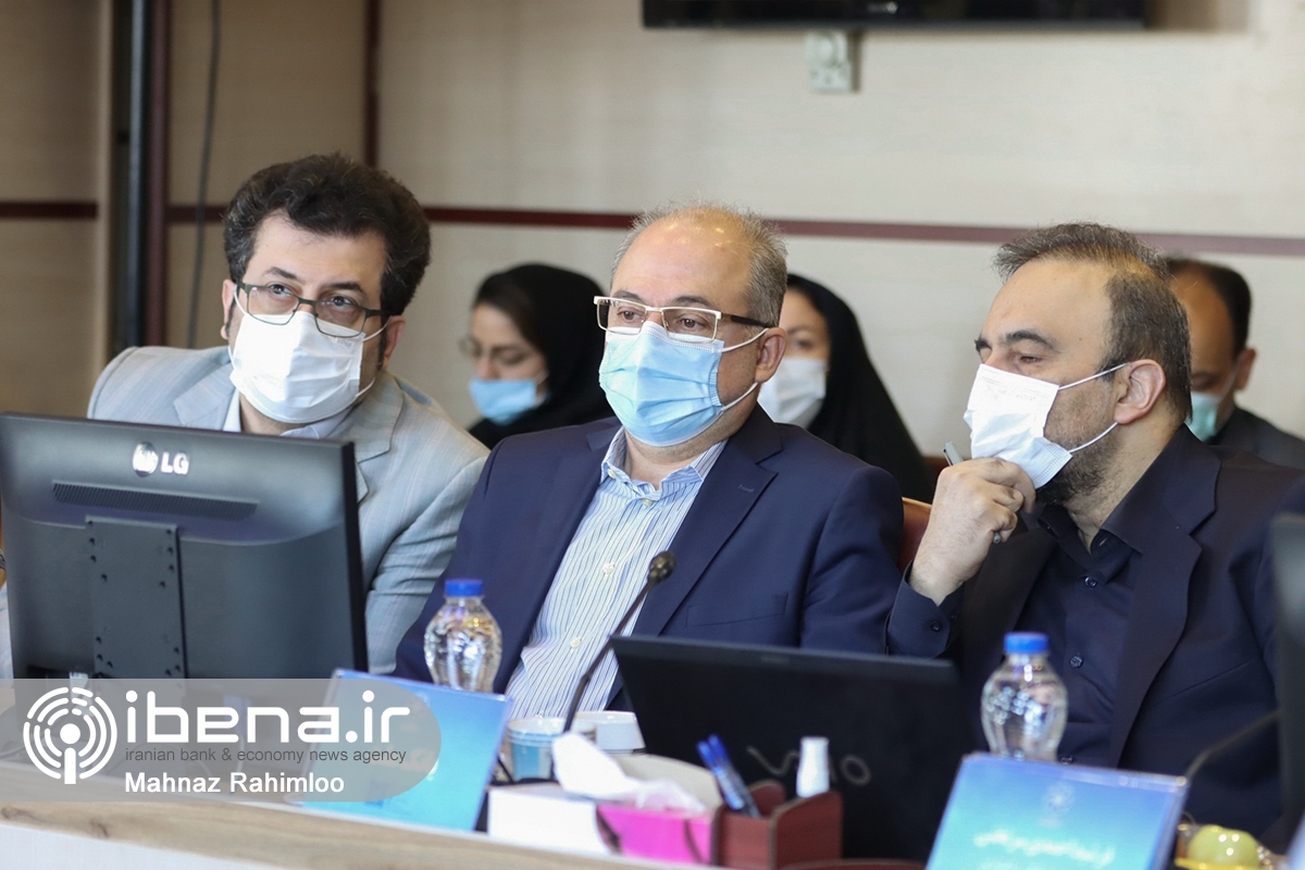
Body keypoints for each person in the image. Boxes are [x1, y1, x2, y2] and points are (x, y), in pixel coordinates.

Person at [393, 204, 904, 718]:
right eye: (630, 314)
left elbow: (836, 715)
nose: (647, 344)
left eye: (689, 321)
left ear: (764, 354)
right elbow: (426, 671)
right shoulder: (520, 468)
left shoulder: (828, 501)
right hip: (472, 761)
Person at [886, 223, 1305, 836]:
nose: (989, 387)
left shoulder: (1278, 523)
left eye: (1027, 358)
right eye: (986, 357)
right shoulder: (992, 530)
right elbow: (890, 751)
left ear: (1132, 389)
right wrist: (932, 578)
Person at [87, 154, 488, 674]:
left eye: (340, 302)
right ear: (230, 306)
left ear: (387, 341)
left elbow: (368, 693)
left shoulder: (442, 476)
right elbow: (38, 608)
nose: (301, 327)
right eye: (278, 290)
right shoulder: (134, 386)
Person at [760, 273, 936, 501]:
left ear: (840, 355)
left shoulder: (882, 479)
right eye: (762, 343)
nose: (777, 359)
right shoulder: (717, 462)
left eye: (801, 343)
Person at [1166, 256, 1305, 469]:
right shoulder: (1110, 453)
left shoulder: (1291, 472)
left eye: (1197, 383)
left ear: (1243, 369)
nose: (1167, 401)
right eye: (1142, 380)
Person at [462, 263, 612, 449]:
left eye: (510, 357)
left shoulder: (613, 449)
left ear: (567, 358)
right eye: (476, 350)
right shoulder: (474, 444)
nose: (484, 373)